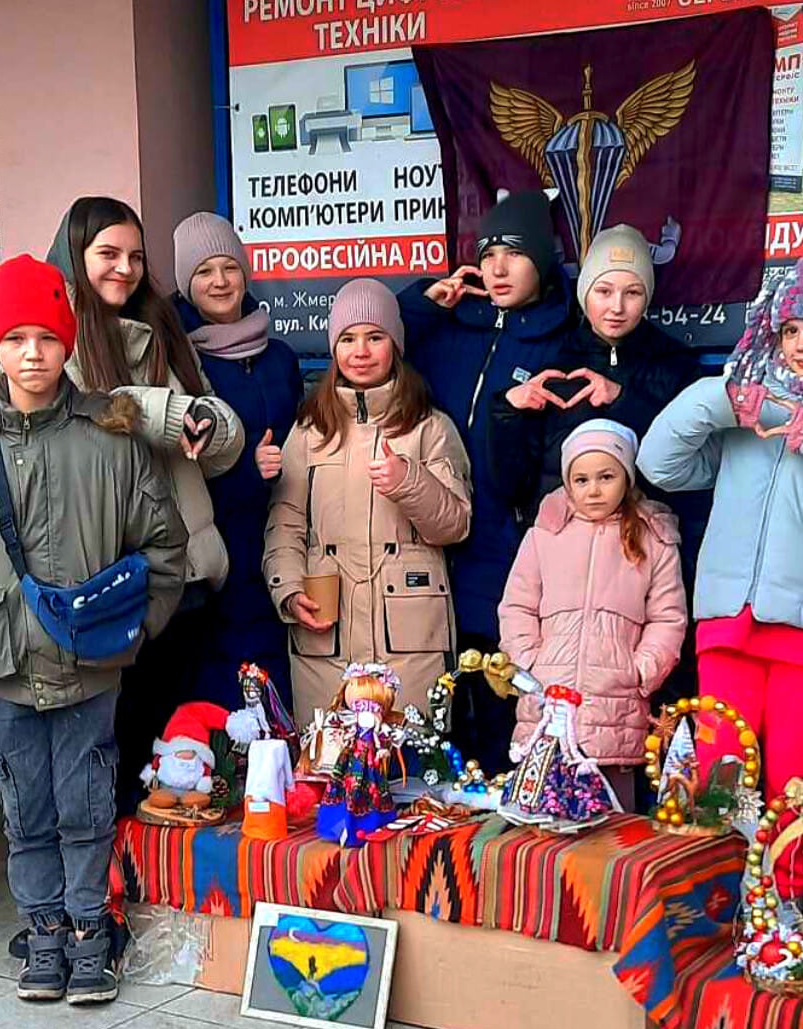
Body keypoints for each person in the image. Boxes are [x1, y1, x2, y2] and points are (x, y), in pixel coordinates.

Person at [0, 254, 188, 1006]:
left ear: (68, 343)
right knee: (24, 805)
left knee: (86, 801)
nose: (31, 353)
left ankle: (89, 933)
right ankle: (41, 934)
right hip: (0, 663)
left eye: (46, 336)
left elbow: (165, 548)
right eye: (15, 338)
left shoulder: (110, 436)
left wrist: (133, 629)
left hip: (89, 663)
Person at [639, 252, 803, 798]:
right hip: (729, 624)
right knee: (717, 786)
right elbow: (657, 465)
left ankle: (786, 887)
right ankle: (712, 885)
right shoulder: (743, 407)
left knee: (793, 795)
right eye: (790, 329)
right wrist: (718, 398)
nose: (802, 344)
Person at [45, 196, 244, 813]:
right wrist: (166, 411)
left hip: (184, 573)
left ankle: (156, 895)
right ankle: (101, 892)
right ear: (76, 258)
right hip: (111, 583)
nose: (124, 269)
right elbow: (80, 423)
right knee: (114, 751)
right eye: (108, 254)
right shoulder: (55, 338)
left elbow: (221, 429)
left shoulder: (164, 326)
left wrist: (208, 423)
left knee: (171, 757)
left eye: (135, 256)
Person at [490, 224, 704, 701]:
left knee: (636, 740)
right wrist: (507, 412)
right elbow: (510, 480)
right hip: (560, 573)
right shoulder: (551, 356)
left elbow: (688, 468)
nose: (616, 306)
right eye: (603, 290)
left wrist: (622, 402)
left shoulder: (675, 364)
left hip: (637, 565)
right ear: (586, 291)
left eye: (632, 293)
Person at [399, 191, 573, 768]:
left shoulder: (558, 335)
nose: (497, 267)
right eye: (488, 251)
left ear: (543, 263)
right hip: (429, 540)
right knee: (432, 707)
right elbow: (374, 338)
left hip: (504, 548)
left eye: (515, 253)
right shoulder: (449, 330)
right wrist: (427, 303)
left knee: (498, 702)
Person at [263, 278, 471, 721]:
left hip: (411, 645)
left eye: (375, 337)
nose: (361, 351)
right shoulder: (308, 430)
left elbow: (455, 524)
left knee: (410, 772)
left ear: (395, 344)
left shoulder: (430, 426)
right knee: (327, 774)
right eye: (348, 338)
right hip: (326, 639)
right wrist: (288, 588)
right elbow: (286, 522)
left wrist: (409, 481)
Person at [498, 420, 686, 810]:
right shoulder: (544, 535)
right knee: (542, 823)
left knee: (611, 826)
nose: (594, 489)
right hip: (546, 704)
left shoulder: (654, 539)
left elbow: (668, 618)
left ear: (627, 477)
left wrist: (640, 670)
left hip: (615, 707)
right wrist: (529, 665)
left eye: (606, 477)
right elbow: (517, 606)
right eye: (581, 480)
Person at [171, 212, 304, 710]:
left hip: (278, 547)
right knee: (217, 707)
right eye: (205, 272)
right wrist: (247, 470)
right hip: (214, 558)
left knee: (278, 700)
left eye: (229, 266)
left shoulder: (281, 358)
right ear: (188, 284)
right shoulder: (179, 360)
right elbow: (177, 466)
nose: (220, 281)